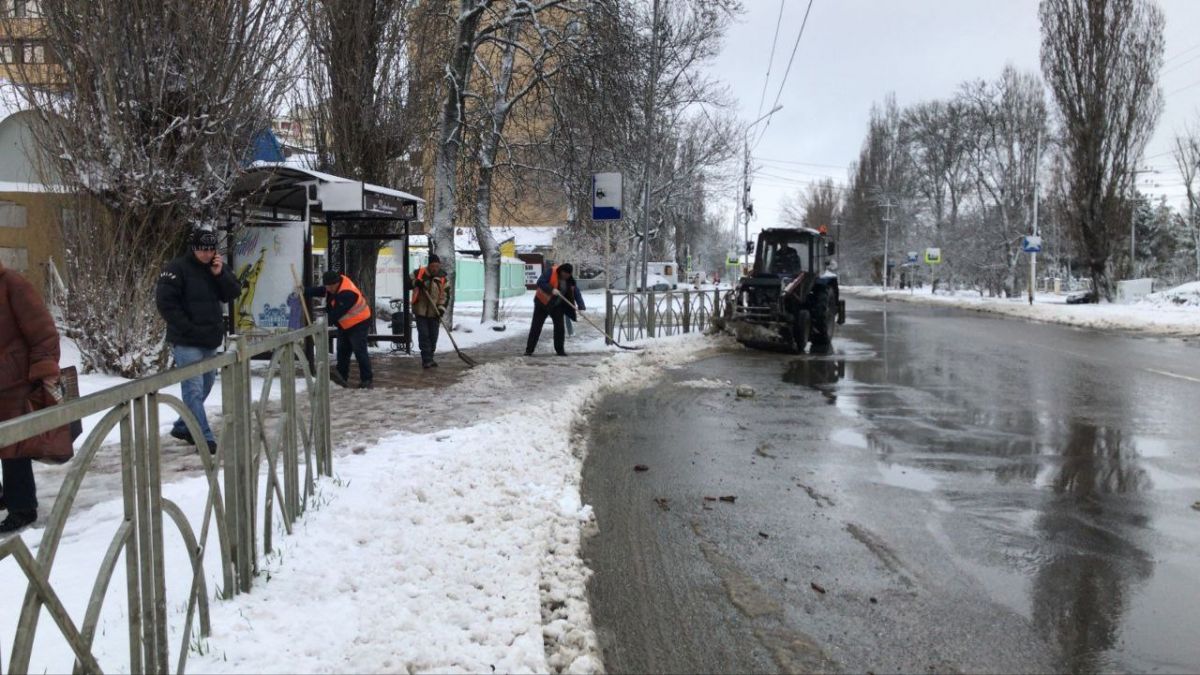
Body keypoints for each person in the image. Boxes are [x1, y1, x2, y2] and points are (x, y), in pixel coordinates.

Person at [156, 229, 241, 454]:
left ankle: (183, 425)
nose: (206, 254)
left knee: (206, 386)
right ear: (193, 248)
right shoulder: (176, 269)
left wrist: (220, 273)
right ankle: (204, 437)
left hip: (210, 340)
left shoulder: (215, 267)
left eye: (210, 249)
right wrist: (187, 328)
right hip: (187, 341)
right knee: (193, 390)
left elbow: (233, 292)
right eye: (202, 250)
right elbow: (166, 303)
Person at [0, 260, 63, 533]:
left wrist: (46, 368)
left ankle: (22, 508)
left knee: (14, 446)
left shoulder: (12, 283)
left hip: (14, 380)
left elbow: (43, 330)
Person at [308, 270, 373, 388]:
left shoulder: (347, 293)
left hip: (360, 322)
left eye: (331, 286)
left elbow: (336, 314)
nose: (328, 289)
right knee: (342, 351)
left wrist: (321, 324)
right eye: (327, 286)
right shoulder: (335, 284)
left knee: (359, 350)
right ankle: (341, 378)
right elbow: (323, 290)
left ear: (336, 283)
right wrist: (306, 291)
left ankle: (367, 380)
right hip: (346, 324)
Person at [525, 263, 585, 357]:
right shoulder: (551, 272)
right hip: (542, 303)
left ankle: (560, 350)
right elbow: (540, 282)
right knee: (536, 326)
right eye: (564, 274)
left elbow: (576, 292)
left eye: (568, 275)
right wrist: (551, 289)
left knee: (559, 328)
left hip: (557, 306)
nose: (566, 276)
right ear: (561, 271)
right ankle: (529, 350)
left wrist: (581, 306)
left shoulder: (570, 281)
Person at [410, 254, 448, 369]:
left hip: (435, 312)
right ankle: (426, 359)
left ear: (439, 266)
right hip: (420, 311)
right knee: (424, 335)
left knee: (433, 336)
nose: (435, 268)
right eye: (432, 266)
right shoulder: (419, 273)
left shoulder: (443, 278)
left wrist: (441, 310)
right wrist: (415, 282)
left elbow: (445, 296)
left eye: (437, 266)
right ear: (429, 265)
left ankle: (430, 357)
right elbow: (407, 282)